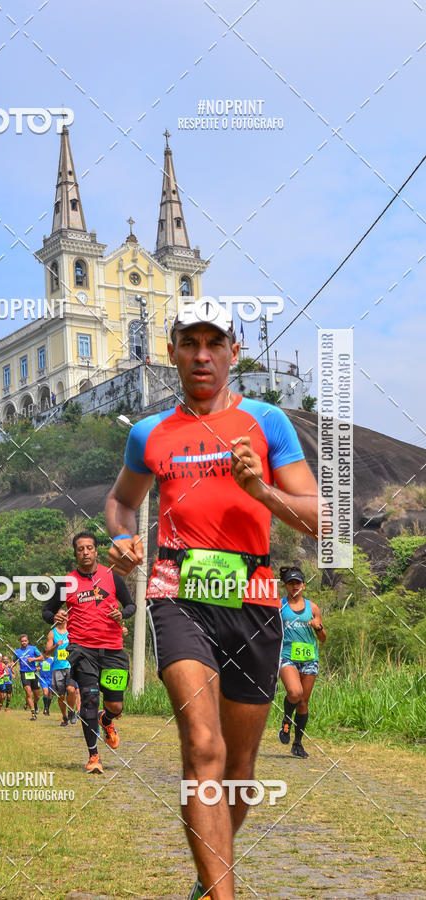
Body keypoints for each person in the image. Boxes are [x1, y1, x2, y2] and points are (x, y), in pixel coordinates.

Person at [105, 300, 319, 900]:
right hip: (178, 594)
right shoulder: (149, 434)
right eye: (189, 343)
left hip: (254, 599)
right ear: (170, 351)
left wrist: (262, 490)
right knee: (203, 745)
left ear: (234, 352)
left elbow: (319, 520)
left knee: (241, 775)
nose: (202, 355)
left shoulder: (268, 422)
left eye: (214, 343)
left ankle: (207, 883)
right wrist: (123, 537)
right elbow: (123, 502)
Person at [42, 531, 135, 774]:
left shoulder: (112, 577)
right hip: (82, 650)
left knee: (116, 706)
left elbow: (132, 605)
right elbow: (47, 611)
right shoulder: (66, 582)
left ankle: (107, 720)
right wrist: (55, 616)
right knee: (89, 701)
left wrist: (122, 614)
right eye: (80, 549)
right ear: (75, 552)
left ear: (96, 551)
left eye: (89, 548)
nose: (85, 552)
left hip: (113, 649)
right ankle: (94, 756)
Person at [278, 566, 326, 759]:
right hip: (287, 656)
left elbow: (323, 638)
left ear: (304, 585)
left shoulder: (312, 607)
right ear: (286, 586)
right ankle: (286, 720)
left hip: (309, 659)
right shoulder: (279, 606)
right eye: (290, 583)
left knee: (303, 702)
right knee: (295, 693)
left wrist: (318, 626)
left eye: (297, 583)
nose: (294, 586)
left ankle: (297, 743)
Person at [45, 618, 78, 726]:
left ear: (67, 617)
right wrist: (56, 645)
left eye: (63, 615)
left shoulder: (72, 629)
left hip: (70, 666)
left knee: (71, 690)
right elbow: (47, 652)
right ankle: (64, 716)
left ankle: (71, 711)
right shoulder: (52, 633)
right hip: (57, 668)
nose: (60, 618)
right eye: (57, 616)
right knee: (61, 696)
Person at [13, 634, 43, 720]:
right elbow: (13, 661)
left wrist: (33, 659)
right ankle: (33, 714)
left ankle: (35, 704)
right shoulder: (17, 652)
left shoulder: (33, 648)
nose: (24, 642)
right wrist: (11, 665)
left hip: (33, 672)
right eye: (22, 641)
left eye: (25, 641)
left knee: (37, 695)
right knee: (28, 692)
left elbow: (41, 657)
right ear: (20, 642)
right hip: (24, 673)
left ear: (28, 641)